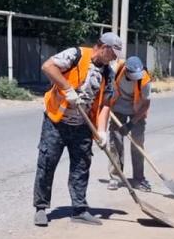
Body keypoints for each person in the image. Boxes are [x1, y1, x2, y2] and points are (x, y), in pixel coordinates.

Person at [33, 32, 122, 227]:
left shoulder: (108, 73)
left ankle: (79, 209)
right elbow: (48, 66)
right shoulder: (76, 55)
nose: (113, 59)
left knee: (81, 166)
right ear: (104, 47)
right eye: (112, 54)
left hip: (82, 125)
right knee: (47, 163)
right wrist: (67, 88)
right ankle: (40, 208)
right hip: (56, 121)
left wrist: (102, 131)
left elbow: (105, 104)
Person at [106, 56, 153, 192]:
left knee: (137, 144)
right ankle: (115, 177)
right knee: (115, 143)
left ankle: (138, 179)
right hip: (117, 109)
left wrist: (131, 124)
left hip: (137, 111)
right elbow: (105, 87)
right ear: (126, 70)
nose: (136, 78)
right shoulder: (116, 69)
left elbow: (146, 104)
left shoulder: (145, 79)